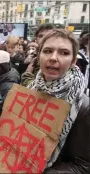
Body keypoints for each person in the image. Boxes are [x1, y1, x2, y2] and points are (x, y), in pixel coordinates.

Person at [26, 29, 89, 173]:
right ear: (39, 55)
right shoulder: (29, 91)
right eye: (47, 51)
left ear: (73, 61)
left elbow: (83, 166)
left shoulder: (84, 108)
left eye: (64, 53)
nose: (53, 57)